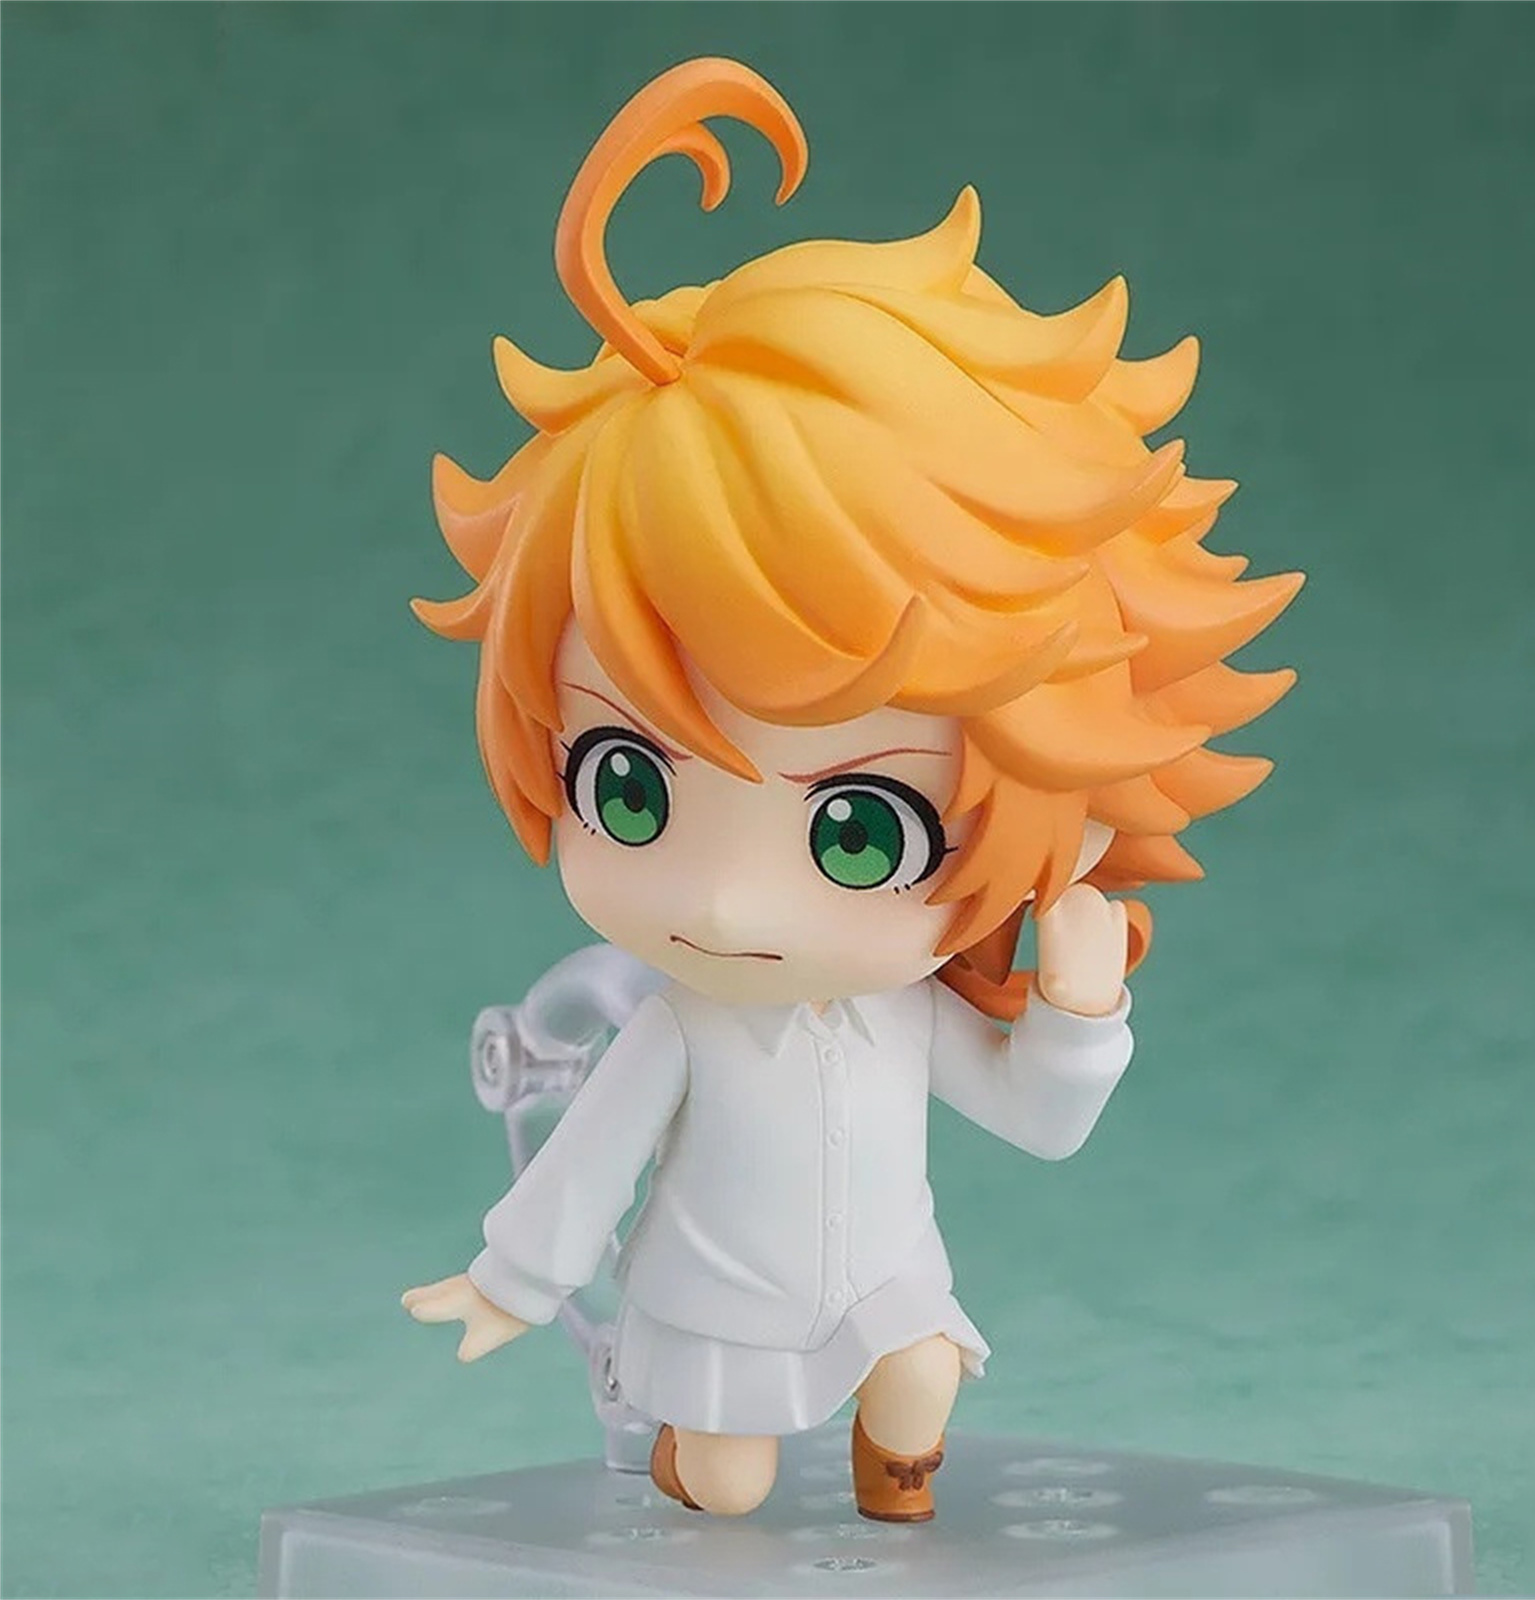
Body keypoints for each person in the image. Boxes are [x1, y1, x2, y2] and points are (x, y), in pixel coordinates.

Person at [402, 55, 1301, 1522]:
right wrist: (513, 1279)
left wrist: (1081, 1012)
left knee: (924, 1373)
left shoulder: (904, 1013)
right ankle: (691, 1459)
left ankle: (901, 1485)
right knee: (729, 1487)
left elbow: (1040, 1119)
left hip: (886, 1282)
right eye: (629, 790)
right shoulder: (683, 1025)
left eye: (859, 830)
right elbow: (592, 1159)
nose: (726, 902)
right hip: (717, 1303)